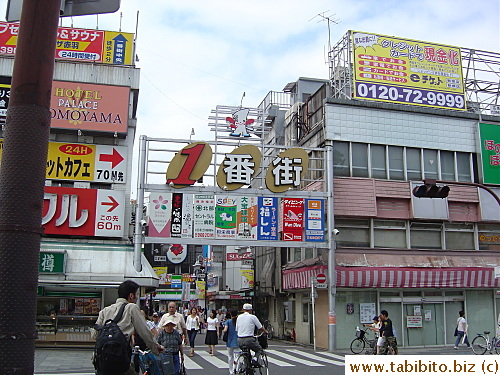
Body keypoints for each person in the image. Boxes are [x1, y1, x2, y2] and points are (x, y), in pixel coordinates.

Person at [92, 280, 161, 375]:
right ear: (131, 295)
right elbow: (145, 332)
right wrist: (156, 348)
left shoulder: (105, 311)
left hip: (103, 362)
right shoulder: (131, 308)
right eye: (137, 294)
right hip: (120, 359)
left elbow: (94, 334)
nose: (137, 297)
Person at [223, 310, 239, 375]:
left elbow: (225, 330)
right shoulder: (239, 321)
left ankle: (231, 371)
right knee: (237, 357)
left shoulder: (228, 321)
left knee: (230, 357)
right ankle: (236, 369)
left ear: (230, 314)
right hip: (238, 341)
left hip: (229, 342)